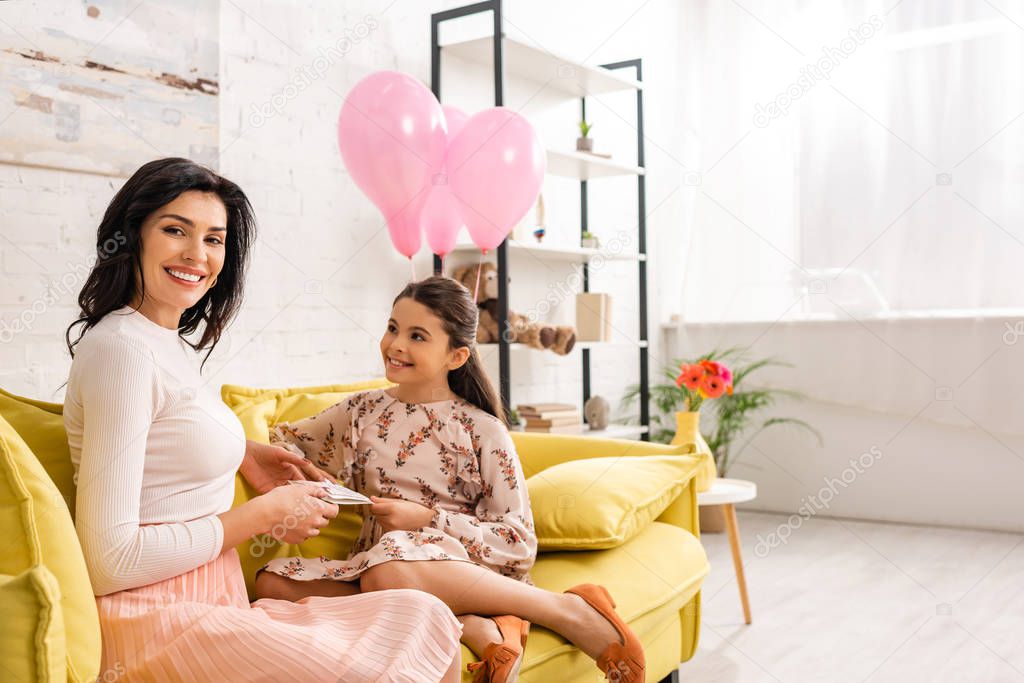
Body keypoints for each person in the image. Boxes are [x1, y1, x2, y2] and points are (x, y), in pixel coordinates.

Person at [63, 158, 463, 682]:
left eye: (214, 239)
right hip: (155, 620)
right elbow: (107, 561)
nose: (196, 254)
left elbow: (162, 437)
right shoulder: (121, 349)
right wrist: (267, 514)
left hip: (211, 602)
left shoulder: (162, 342)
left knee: (422, 613)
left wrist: (245, 454)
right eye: (174, 230)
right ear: (131, 235)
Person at [254, 276, 646, 683]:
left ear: (456, 356)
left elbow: (517, 542)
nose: (396, 345)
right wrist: (309, 481)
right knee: (272, 582)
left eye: (417, 336)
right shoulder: (360, 411)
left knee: (388, 571)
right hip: (375, 563)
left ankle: (566, 609)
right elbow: (285, 444)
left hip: (457, 566)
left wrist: (424, 520)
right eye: (393, 328)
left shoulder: (481, 430)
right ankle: (473, 626)